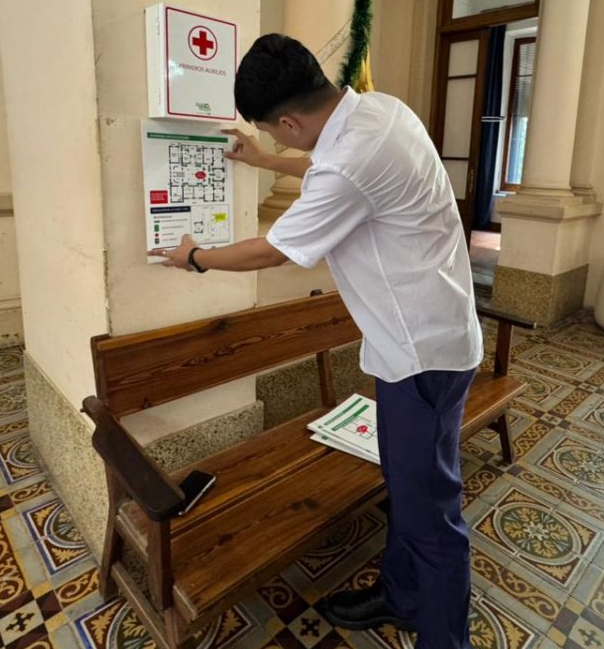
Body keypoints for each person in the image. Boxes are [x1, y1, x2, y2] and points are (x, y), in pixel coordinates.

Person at [150, 34, 482, 647]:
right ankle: (404, 596)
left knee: (432, 513)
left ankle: (444, 637)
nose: (277, 142)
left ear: (289, 121)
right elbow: (328, 166)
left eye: (273, 134)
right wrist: (264, 162)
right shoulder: (378, 112)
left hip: (423, 358)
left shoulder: (349, 161)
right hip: (415, 345)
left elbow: (273, 250)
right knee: (408, 491)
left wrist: (195, 257)